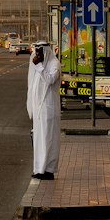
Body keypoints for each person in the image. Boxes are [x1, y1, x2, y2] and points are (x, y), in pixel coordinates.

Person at [26, 41, 61, 180]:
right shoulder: (37, 65)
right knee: (39, 140)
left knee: (48, 139)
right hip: (39, 110)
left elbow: (50, 80)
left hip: (49, 109)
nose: (37, 55)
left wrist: (39, 67)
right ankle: (39, 169)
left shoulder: (54, 63)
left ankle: (49, 170)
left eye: (40, 52)